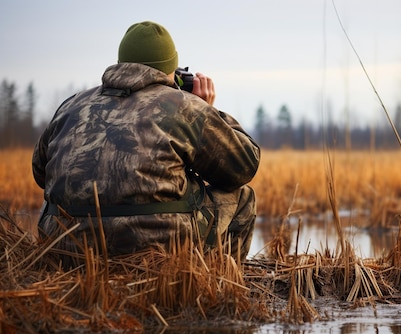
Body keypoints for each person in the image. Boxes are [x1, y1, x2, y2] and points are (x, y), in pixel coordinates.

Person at [32, 21, 260, 265]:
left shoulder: (71, 105)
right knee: (243, 197)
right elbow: (244, 166)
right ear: (170, 69)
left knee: (52, 198)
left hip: (67, 246)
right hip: (157, 248)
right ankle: (218, 285)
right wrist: (207, 109)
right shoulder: (183, 106)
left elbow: (40, 174)